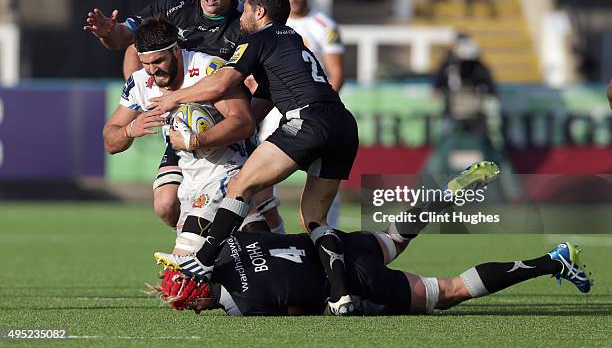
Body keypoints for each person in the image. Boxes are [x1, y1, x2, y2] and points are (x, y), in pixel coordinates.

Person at [148, 0, 359, 315]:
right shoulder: (289, 40)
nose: (242, 15)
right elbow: (261, 102)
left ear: (259, 12)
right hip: (344, 125)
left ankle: (202, 261)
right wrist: (228, 129)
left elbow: (221, 83)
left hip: (307, 120)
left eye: (246, 9)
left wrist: (174, 99)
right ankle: (340, 295)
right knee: (314, 219)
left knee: (240, 185)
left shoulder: (258, 38)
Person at [151, 158, 592, 316]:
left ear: (201, 296)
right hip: (340, 246)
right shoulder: (230, 244)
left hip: (354, 283)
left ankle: (552, 261)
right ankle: (445, 194)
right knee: (394, 237)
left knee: (452, 291)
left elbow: (302, 308)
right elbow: (259, 219)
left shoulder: (240, 307)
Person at [103, 18, 265, 233]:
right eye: (146, 63)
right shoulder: (139, 82)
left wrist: (195, 140)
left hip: (228, 149)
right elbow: (110, 142)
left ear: (176, 50)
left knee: (251, 226)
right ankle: (193, 238)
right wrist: (129, 130)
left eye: (159, 61)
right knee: (165, 205)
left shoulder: (208, 68)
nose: (153, 71)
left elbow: (244, 123)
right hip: (183, 149)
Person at [251, 0, 346, 230]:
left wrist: (321, 107)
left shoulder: (324, 26)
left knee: (321, 177)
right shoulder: (271, 24)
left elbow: (336, 73)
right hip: (274, 112)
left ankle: (326, 232)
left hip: (313, 112)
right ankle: (274, 234)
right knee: (262, 178)